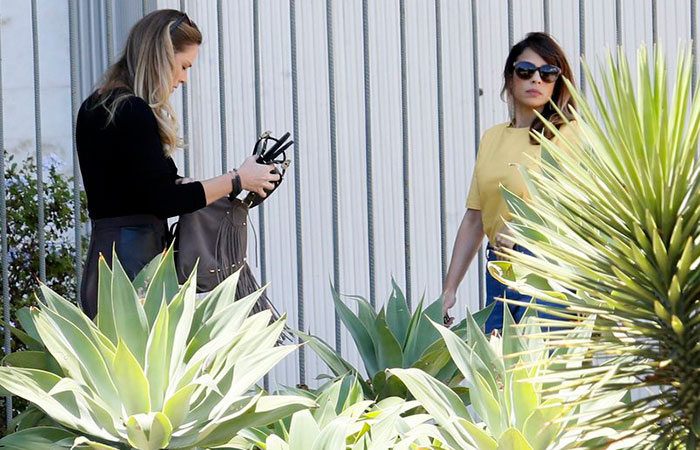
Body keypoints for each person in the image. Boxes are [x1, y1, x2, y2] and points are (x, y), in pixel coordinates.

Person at [76, 9, 279, 319]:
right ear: (160, 56)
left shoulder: (96, 106)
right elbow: (164, 199)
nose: (183, 79)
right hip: (137, 272)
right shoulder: (132, 110)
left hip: (106, 263)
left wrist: (238, 180)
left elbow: (140, 190)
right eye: (183, 66)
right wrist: (238, 179)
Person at [441, 32, 578, 333]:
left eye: (548, 73)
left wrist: (522, 228)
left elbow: (579, 209)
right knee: (501, 375)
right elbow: (475, 218)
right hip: (499, 270)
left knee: (547, 373)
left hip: (548, 271)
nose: (536, 80)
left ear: (559, 81)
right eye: (526, 71)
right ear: (510, 77)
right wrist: (449, 289)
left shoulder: (569, 135)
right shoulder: (492, 137)